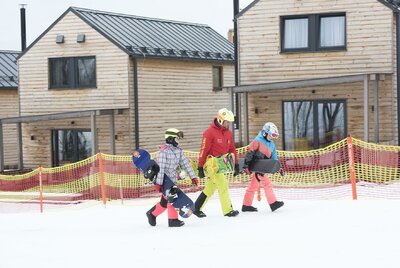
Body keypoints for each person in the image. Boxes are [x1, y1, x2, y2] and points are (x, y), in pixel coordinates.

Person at [146, 128, 199, 227]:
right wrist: (159, 183)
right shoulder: (163, 152)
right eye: (177, 139)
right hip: (165, 180)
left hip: (173, 180)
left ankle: (151, 214)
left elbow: (185, 164)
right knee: (173, 199)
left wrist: (193, 177)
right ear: (170, 139)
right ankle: (173, 220)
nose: (178, 141)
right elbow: (160, 169)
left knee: (164, 202)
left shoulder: (178, 151)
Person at [193, 108, 240, 217]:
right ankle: (228, 210)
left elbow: (232, 149)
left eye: (229, 122)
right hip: (211, 165)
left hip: (221, 165)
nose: (229, 124)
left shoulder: (228, 133)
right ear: (220, 120)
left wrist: (236, 164)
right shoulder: (209, 133)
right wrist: (200, 167)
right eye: (227, 122)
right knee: (223, 185)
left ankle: (196, 207)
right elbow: (203, 150)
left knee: (211, 187)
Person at [241, 122, 284, 212]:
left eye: (274, 136)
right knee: (267, 183)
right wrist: (246, 166)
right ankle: (273, 203)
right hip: (257, 166)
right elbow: (250, 153)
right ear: (265, 133)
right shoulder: (258, 140)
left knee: (253, 186)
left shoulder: (272, 144)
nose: (272, 137)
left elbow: (274, 158)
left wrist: (279, 167)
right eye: (271, 135)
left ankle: (246, 205)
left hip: (263, 166)